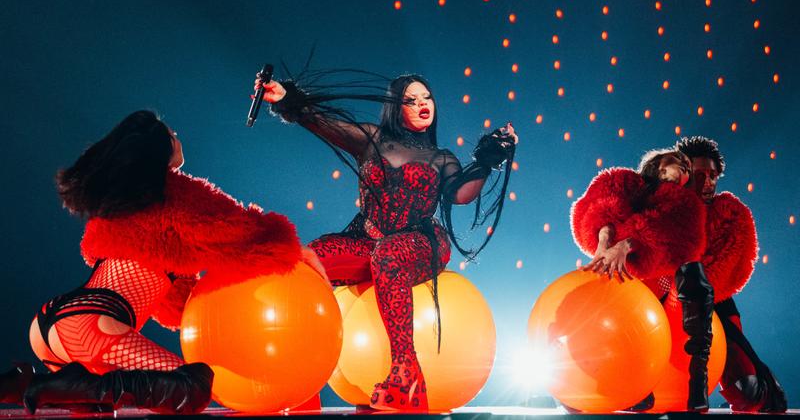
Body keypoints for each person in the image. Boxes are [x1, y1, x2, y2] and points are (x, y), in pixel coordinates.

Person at [8, 110, 310, 414]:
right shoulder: (176, 193)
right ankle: (63, 383)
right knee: (192, 388)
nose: (178, 139)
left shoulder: (121, 206)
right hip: (87, 328)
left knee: (94, 402)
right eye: (172, 134)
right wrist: (291, 247)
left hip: (50, 323)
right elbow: (240, 230)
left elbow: (175, 305)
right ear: (159, 148)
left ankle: (22, 383)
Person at [255, 72, 517, 411]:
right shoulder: (372, 139)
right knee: (307, 259)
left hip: (420, 242)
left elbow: (461, 195)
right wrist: (284, 98)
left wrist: (489, 157)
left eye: (427, 97)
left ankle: (406, 372)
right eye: (411, 100)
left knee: (389, 255)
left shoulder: (442, 158)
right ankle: (302, 379)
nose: (423, 104)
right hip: (369, 237)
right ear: (396, 107)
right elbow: (324, 124)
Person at [571, 148, 714, 411]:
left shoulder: (685, 204)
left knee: (694, 276)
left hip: (666, 286)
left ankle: (697, 383)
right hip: (630, 283)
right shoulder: (625, 184)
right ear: (659, 164)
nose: (685, 165)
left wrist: (626, 243)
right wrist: (604, 242)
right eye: (678, 160)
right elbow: (602, 209)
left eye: (687, 166)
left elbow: (667, 233)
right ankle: (584, 380)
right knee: (594, 294)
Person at [676, 136, 787, 412]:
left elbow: (728, 270)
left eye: (712, 175)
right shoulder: (664, 208)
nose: (707, 182)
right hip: (657, 304)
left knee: (748, 393)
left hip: (716, 306)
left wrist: (693, 294)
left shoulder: (731, 215)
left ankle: (767, 388)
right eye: (699, 175)